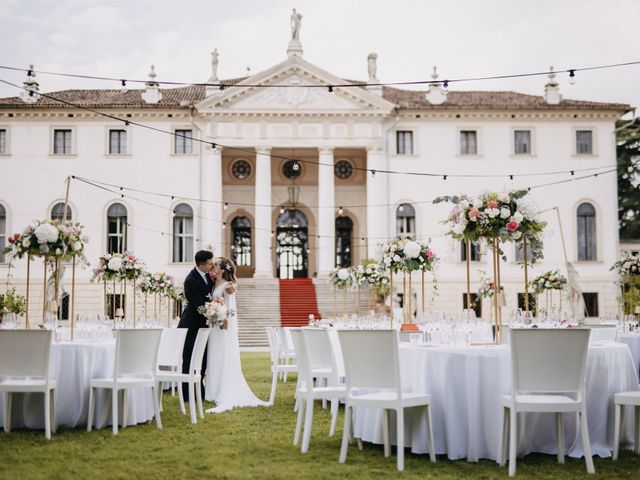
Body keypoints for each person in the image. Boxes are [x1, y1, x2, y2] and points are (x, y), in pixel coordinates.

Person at [205, 257, 268, 413]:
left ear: (222, 269)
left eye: (216, 264)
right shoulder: (214, 282)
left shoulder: (228, 285)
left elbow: (229, 308)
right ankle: (213, 391)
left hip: (222, 325)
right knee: (214, 357)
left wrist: (222, 317)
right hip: (214, 325)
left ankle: (223, 391)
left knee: (222, 356)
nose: (213, 265)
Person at [178, 250, 235, 400]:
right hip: (191, 324)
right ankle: (187, 393)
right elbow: (199, 305)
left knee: (202, 360)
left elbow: (223, 285)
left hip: (205, 325)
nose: (212, 265)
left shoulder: (209, 276)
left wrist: (233, 286)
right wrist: (216, 307)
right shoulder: (190, 280)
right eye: (210, 263)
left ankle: (200, 391)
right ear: (202, 265)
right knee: (189, 358)